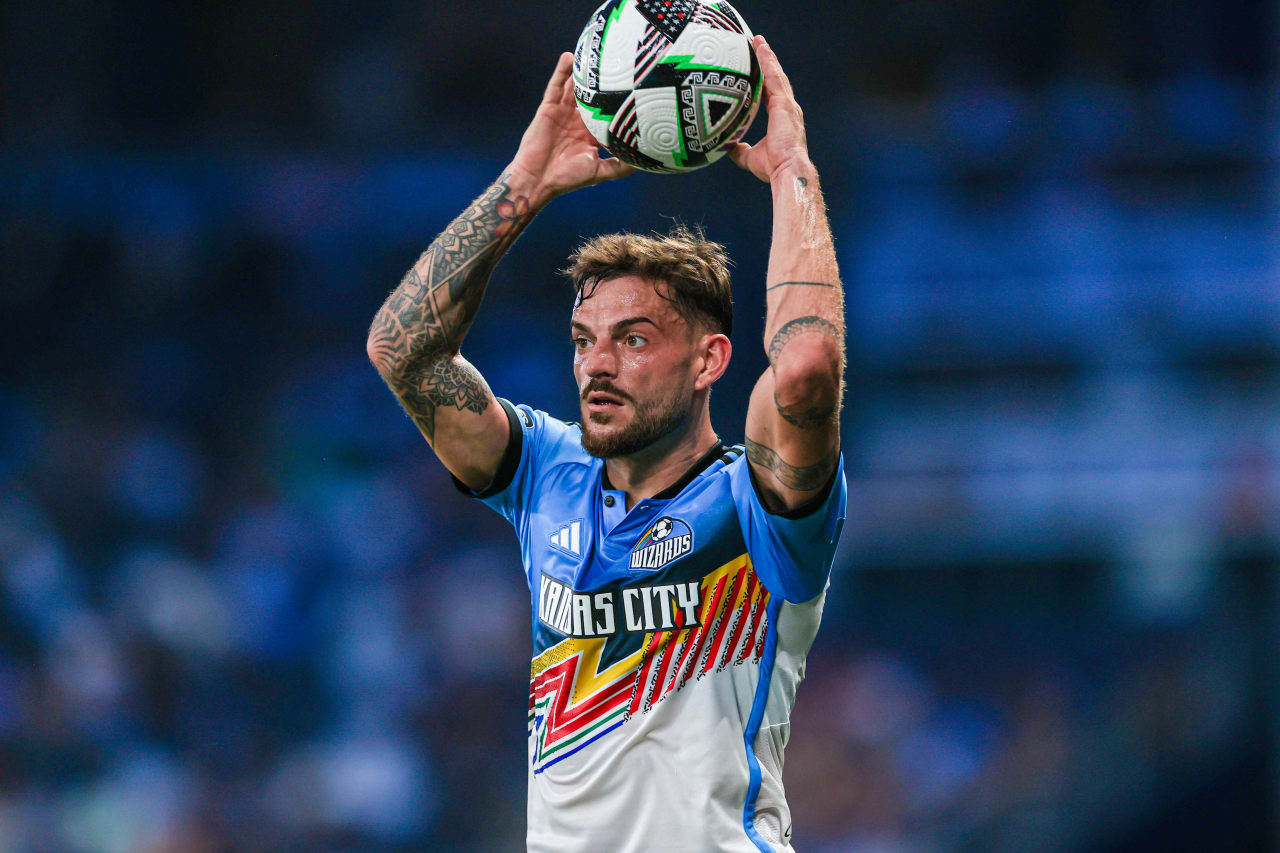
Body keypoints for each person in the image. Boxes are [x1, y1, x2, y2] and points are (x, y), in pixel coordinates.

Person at [367, 33, 845, 853]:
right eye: (584, 339)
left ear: (709, 359)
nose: (596, 363)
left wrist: (790, 173)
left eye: (633, 339)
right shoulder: (547, 474)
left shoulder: (758, 508)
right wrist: (527, 185)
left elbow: (803, 368)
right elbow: (400, 351)